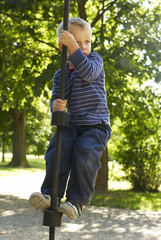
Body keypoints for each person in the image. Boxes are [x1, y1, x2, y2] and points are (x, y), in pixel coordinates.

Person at [29, 17, 112, 221]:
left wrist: (73, 47)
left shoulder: (95, 61)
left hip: (96, 126)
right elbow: (57, 96)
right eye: (76, 42)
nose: (83, 46)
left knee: (85, 152)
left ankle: (76, 202)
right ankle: (51, 194)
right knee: (57, 148)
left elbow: (87, 72)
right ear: (62, 46)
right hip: (72, 125)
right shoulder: (61, 74)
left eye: (87, 41)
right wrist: (55, 106)